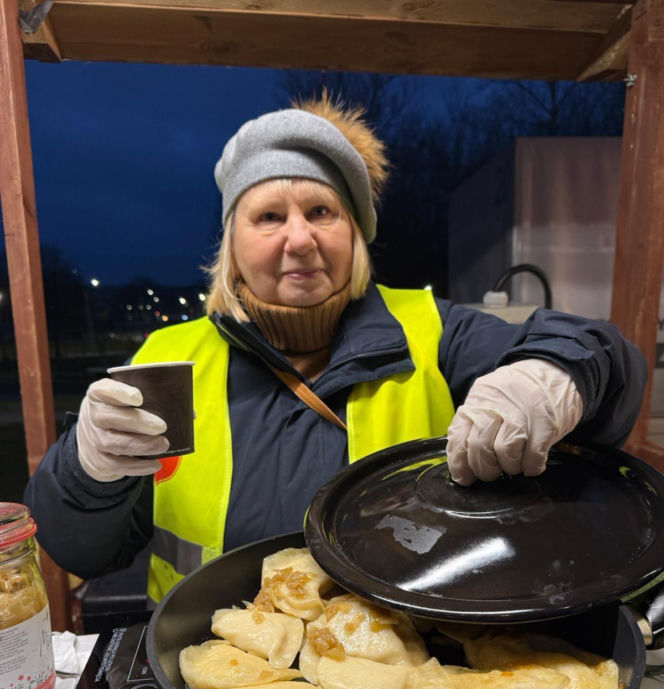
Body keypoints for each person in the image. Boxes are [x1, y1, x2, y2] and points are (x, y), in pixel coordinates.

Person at [24, 94, 647, 605]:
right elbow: (86, 552)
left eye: (322, 210)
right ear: (231, 245)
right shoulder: (171, 360)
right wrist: (88, 472)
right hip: (214, 677)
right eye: (268, 216)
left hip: (399, 681)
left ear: (356, 234)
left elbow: (601, 355)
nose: (299, 239)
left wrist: (554, 372)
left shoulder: (432, 330)